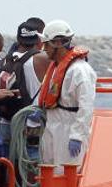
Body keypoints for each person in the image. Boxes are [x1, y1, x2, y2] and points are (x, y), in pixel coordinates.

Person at [37, 20, 97, 171]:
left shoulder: (79, 71)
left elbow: (86, 106)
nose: (44, 49)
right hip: (53, 126)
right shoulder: (56, 68)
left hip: (68, 130)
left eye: (47, 44)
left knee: (64, 174)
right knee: (49, 171)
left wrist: (77, 136)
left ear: (58, 43)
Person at [0, 21, 47, 156]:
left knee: (7, 164)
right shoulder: (41, 59)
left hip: (6, 121)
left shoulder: (7, 59)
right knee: (30, 165)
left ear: (19, 39)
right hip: (30, 124)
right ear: (38, 39)